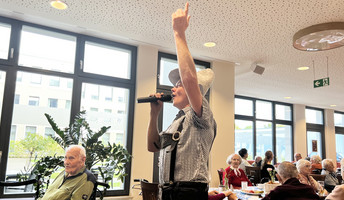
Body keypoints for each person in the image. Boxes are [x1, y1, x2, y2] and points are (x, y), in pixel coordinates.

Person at [146, 3, 216, 200]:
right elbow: (153, 146)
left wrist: (179, 33)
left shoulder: (201, 115)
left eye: (178, 84)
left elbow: (190, 79)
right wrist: (154, 114)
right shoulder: (178, 120)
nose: (172, 88)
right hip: (169, 191)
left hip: (189, 192)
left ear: (196, 92)